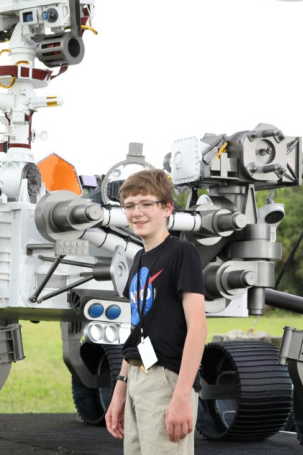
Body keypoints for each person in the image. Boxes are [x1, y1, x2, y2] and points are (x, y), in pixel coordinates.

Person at [105, 168, 207, 454]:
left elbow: (198, 327)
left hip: (167, 379)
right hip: (139, 376)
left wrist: (181, 396)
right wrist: (121, 389)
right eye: (129, 206)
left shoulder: (181, 253)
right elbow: (138, 330)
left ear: (167, 208)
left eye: (146, 203)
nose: (137, 212)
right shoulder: (139, 258)